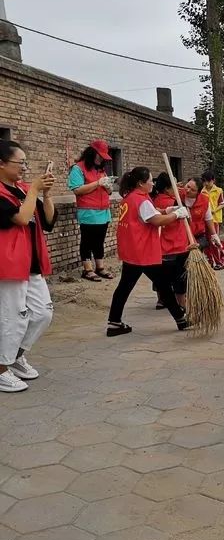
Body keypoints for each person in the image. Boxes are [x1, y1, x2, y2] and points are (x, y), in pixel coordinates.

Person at [106, 167, 191, 337]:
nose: (153, 183)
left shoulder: (130, 198)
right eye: (150, 180)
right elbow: (156, 221)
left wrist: (167, 210)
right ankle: (181, 319)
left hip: (132, 250)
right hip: (142, 252)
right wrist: (177, 215)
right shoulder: (141, 200)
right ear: (141, 183)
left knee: (125, 287)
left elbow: (151, 213)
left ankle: (114, 323)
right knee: (164, 286)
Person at [0, 141, 56, 392]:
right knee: (13, 317)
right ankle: (1, 368)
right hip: (9, 264)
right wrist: (34, 189)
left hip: (30, 263)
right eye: (19, 162)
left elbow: (47, 219)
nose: (24, 167)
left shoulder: (23, 189)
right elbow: (22, 218)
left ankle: (16, 356)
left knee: (42, 313)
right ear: (1, 163)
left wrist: (45, 193)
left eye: (25, 162)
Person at [67, 140, 114, 282]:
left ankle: (100, 267)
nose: (102, 159)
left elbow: (109, 192)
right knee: (87, 241)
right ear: (92, 153)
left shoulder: (101, 170)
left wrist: (108, 186)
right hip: (88, 210)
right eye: (100, 156)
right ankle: (87, 269)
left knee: (99, 240)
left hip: (103, 210)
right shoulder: (78, 168)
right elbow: (77, 189)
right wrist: (97, 183)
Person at [152, 172, 189, 309]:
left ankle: (161, 299)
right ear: (167, 188)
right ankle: (181, 304)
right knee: (179, 276)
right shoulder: (175, 202)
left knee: (161, 276)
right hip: (177, 245)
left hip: (160, 246)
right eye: (174, 185)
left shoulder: (153, 200)